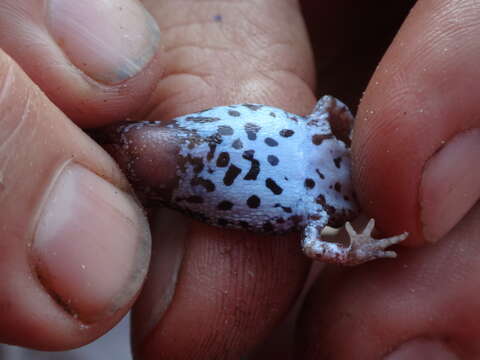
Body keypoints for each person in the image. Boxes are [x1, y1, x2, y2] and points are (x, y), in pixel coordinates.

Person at [0, 0, 478, 359]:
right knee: (137, 154)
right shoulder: (322, 190)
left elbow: (329, 108)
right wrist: (355, 242)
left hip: (212, 165)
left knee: (137, 159)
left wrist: (348, 139)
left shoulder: (319, 180)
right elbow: (328, 116)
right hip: (203, 147)